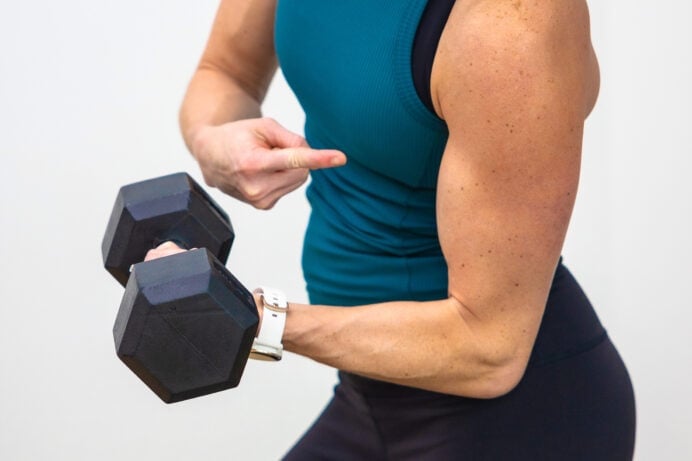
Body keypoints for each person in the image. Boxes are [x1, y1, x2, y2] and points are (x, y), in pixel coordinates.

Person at [149, 0, 636, 459]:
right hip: (368, 394)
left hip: (517, 421)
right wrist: (213, 144)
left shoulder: (511, 24)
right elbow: (224, 72)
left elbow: (490, 348)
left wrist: (259, 320)